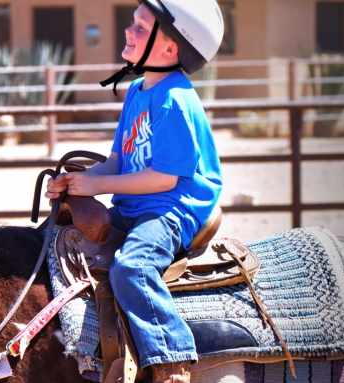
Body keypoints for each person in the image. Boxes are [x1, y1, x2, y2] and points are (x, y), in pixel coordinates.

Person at [46, 1, 224, 382]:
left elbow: (165, 178)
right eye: (133, 23)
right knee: (68, 245)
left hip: (170, 210)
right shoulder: (137, 93)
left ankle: (171, 358)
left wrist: (99, 185)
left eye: (141, 28)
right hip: (135, 204)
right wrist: (78, 180)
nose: (128, 31)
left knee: (132, 268)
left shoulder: (175, 99)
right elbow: (117, 161)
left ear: (170, 49)